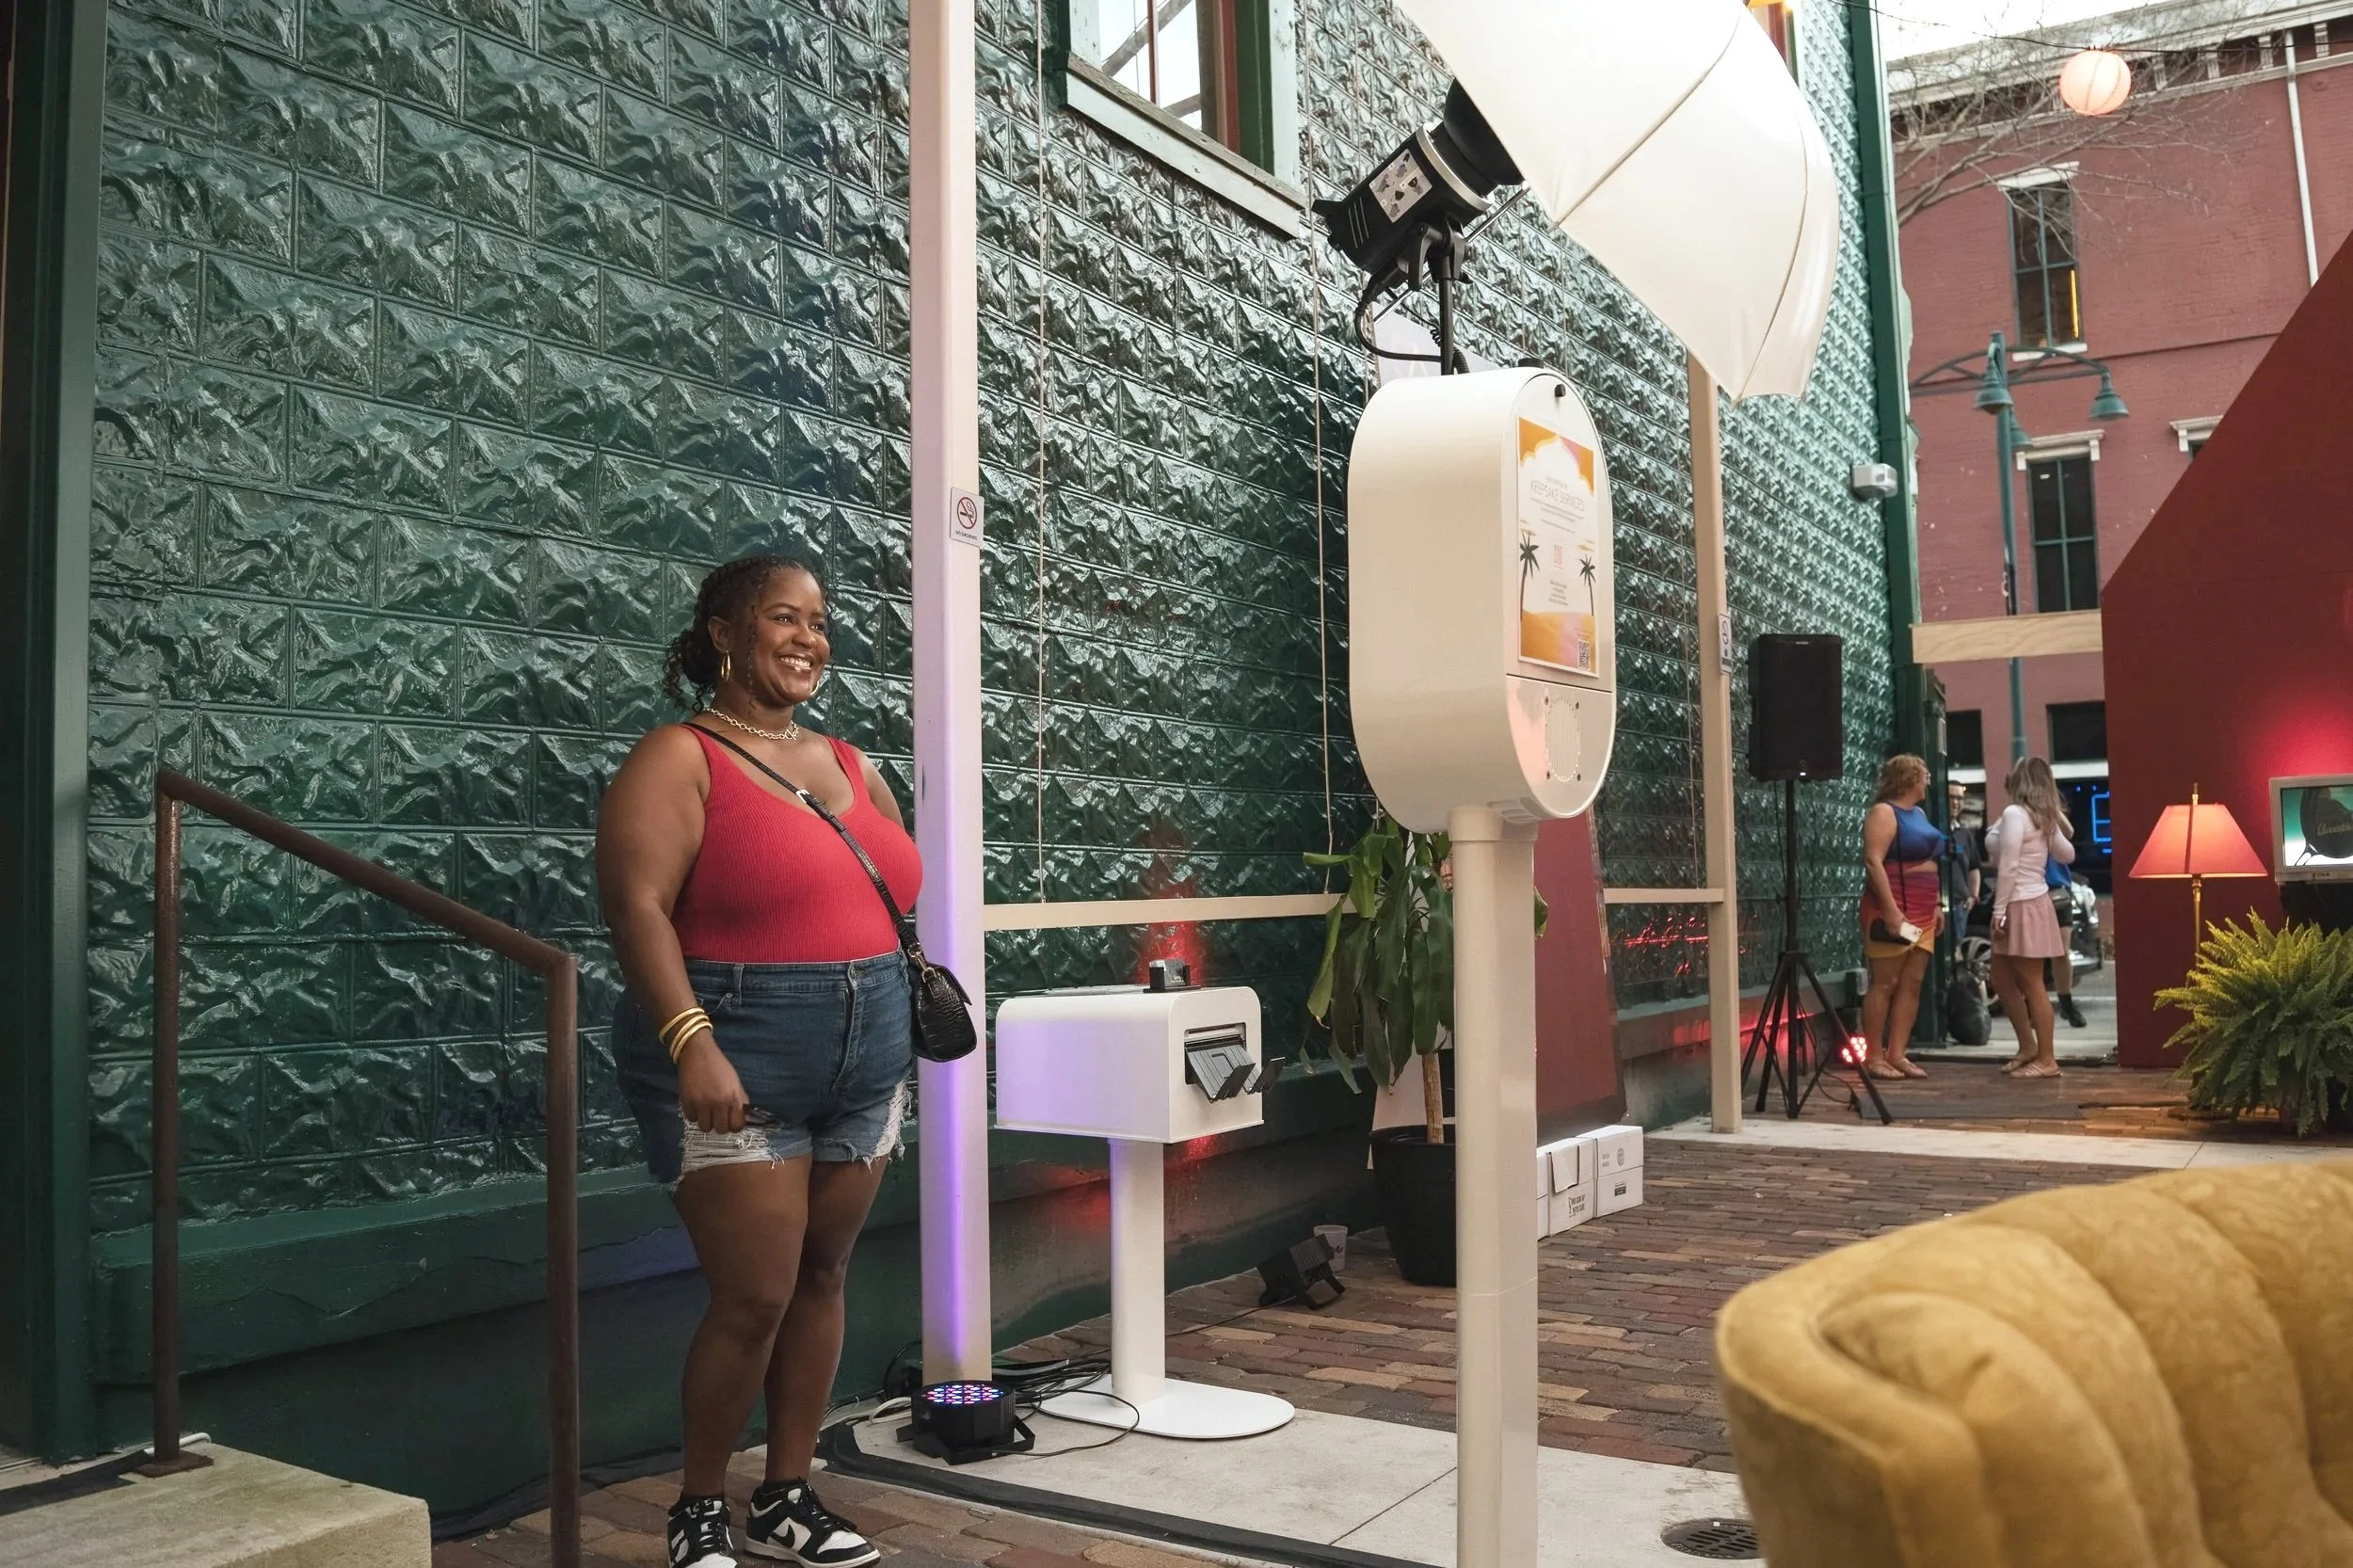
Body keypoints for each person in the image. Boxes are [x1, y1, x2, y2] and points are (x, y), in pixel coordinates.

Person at [599, 555, 915, 1568]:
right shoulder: (679, 756)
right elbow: (636, 907)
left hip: (866, 1057)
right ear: (726, 632)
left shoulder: (858, 765)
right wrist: (690, 1040)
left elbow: (891, 894)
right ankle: (697, 1507)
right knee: (754, 1295)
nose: (809, 639)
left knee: (822, 1273)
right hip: (738, 1048)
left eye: (820, 621)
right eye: (785, 617)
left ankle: (786, 1494)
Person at [1858, 754, 1945, 1080]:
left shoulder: (1919, 813)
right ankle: (1874, 1056)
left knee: (1913, 982)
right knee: (1885, 982)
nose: (1928, 780)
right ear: (1909, 778)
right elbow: (1873, 861)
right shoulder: (1884, 813)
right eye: (1924, 774)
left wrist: (1938, 905)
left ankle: (1897, 1053)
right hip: (1893, 908)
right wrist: (1892, 910)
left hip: (1923, 911)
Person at [1988, 755, 2075, 1080]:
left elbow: (2008, 864)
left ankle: (2047, 1058)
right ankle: (2028, 1046)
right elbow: (2068, 854)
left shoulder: (2015, 814)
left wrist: (1999, 910)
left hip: (2018, 904)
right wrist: (2051, 821)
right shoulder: (2038, 817)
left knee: (2029, 983)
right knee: (2003, 979)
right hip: (2034, 902)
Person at [1943, 781, 1982, 945]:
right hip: (1936, 906)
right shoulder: (1932, 830)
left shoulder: (1965, 834)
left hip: (1960, 906)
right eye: (1951, 797)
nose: (1955, 802)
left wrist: (1973, 896)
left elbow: (1974, 867)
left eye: (1959, 798)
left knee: (1955, 951)